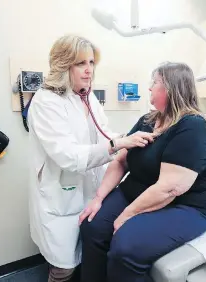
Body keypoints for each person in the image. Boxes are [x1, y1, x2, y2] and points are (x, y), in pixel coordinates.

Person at [27, 35, 155, 282]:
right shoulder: (46, 101)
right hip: (60, 192)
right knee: (63, 268)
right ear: (64, 65)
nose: (89, 70)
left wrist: (131, 140)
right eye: (80, 63)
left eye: (91, 62)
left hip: (90, 189)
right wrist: (118, 144)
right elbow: (67, 155)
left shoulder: (86, 96)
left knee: (87, 254)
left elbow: (104, 133)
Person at [79, 62, 206, 282]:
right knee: (92, 226)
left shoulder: (192, 126)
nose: (150, 87)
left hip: (183, 205)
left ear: (170, 89)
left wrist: (126, 215)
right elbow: (121, 161)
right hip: (136, 191)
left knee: (126, 247)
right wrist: (98, 198)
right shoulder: (147, 120)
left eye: (155, 82)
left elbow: (170, 188)